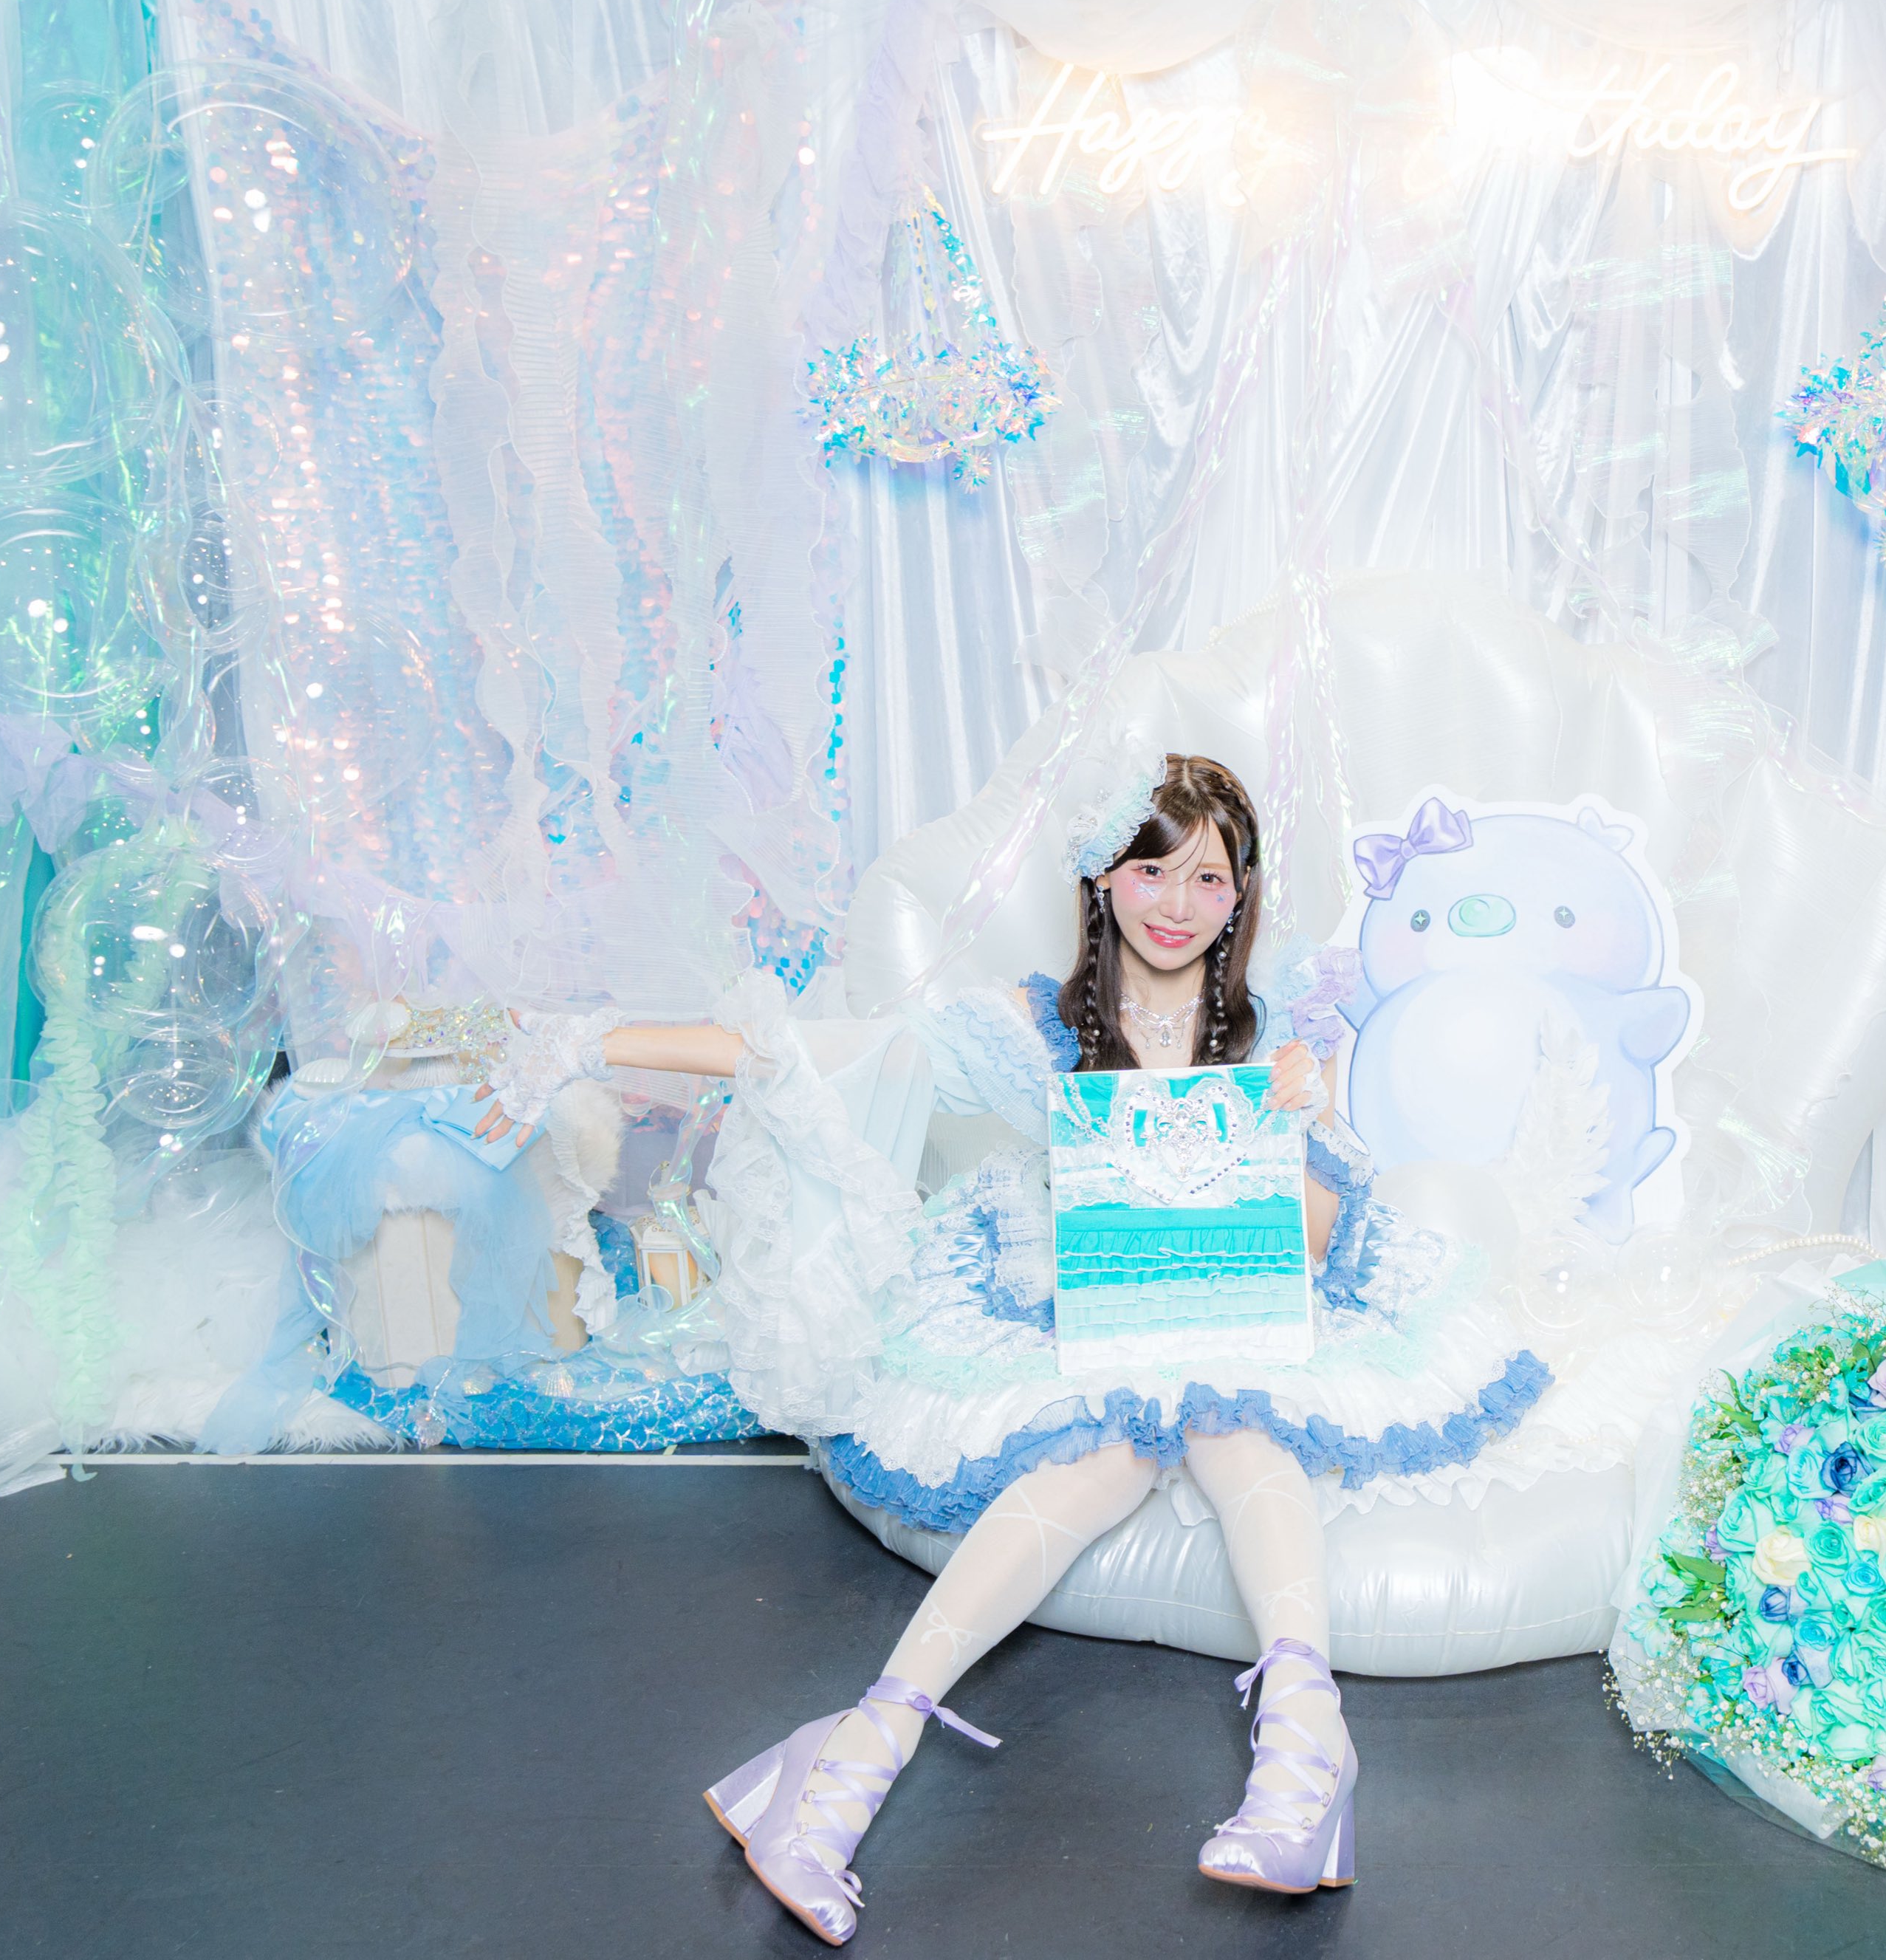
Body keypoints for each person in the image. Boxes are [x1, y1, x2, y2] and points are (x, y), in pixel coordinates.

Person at [479, 755, 1549, 1945]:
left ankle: (1305, 1751)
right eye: (1152, 870)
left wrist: (1290, 1114)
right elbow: (837, 1051)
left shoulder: (1279, 1022)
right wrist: (591, 1041)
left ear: (1241, 893)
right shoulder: (1036, 1027)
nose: (1178, 903)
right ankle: (850, 1764)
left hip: (1242, 1303)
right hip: (1082, 1301)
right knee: (1102, 1452)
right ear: (1103, 876)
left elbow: (1307, 1240)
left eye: (1209, 877)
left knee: (1234, 1407)